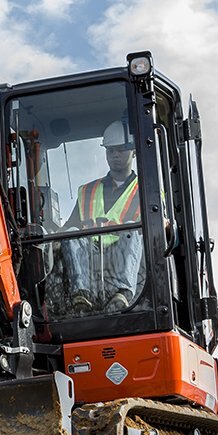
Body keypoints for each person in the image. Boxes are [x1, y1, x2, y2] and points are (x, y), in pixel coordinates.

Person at [62, 120, 144, 312]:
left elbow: (161, 229)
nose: (115, 155)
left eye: (120, 149)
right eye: (110, 150)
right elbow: (68, 228)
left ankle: (122, 293)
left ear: (133, 151)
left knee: (132, 229)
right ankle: (81, 294)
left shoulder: (147, 191)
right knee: (71, 233)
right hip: (91, 259)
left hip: (127, 262)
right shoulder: (87, 191)